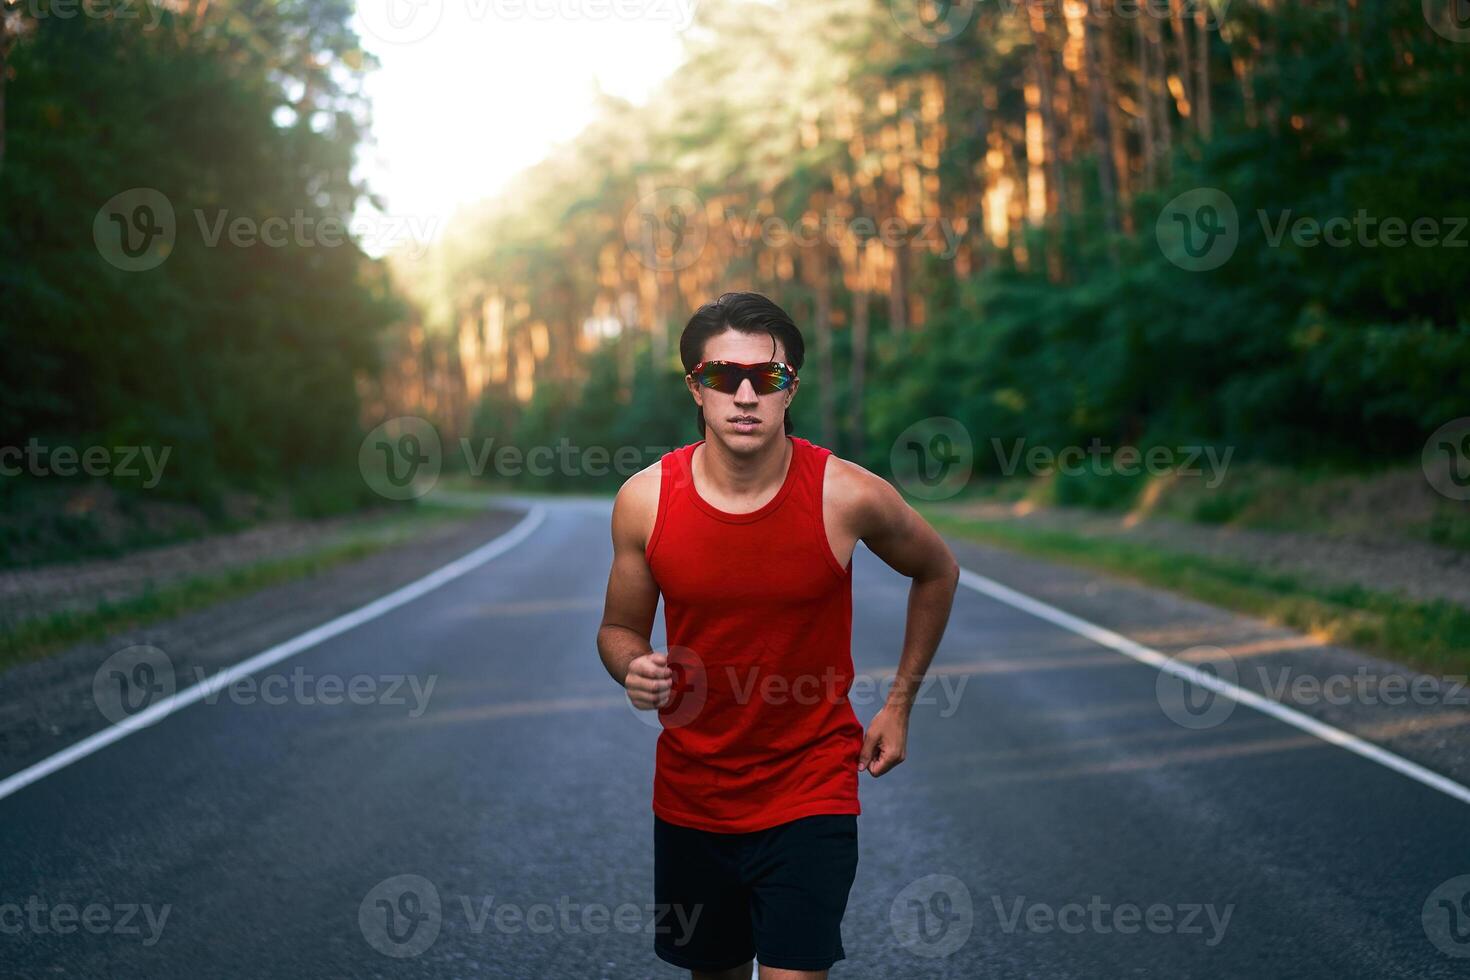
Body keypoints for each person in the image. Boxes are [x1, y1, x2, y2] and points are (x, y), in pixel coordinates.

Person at [596, 291, 960, 980]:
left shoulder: (846, 495)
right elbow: (618, 630)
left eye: (766, 378)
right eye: (721, 377)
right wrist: (633, 665)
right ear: (695, 389)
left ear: (791, 389)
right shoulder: (645, 500)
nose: (744, 395)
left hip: (810, 787)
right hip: (692, 794)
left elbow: (937, 570)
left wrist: (900, 704)